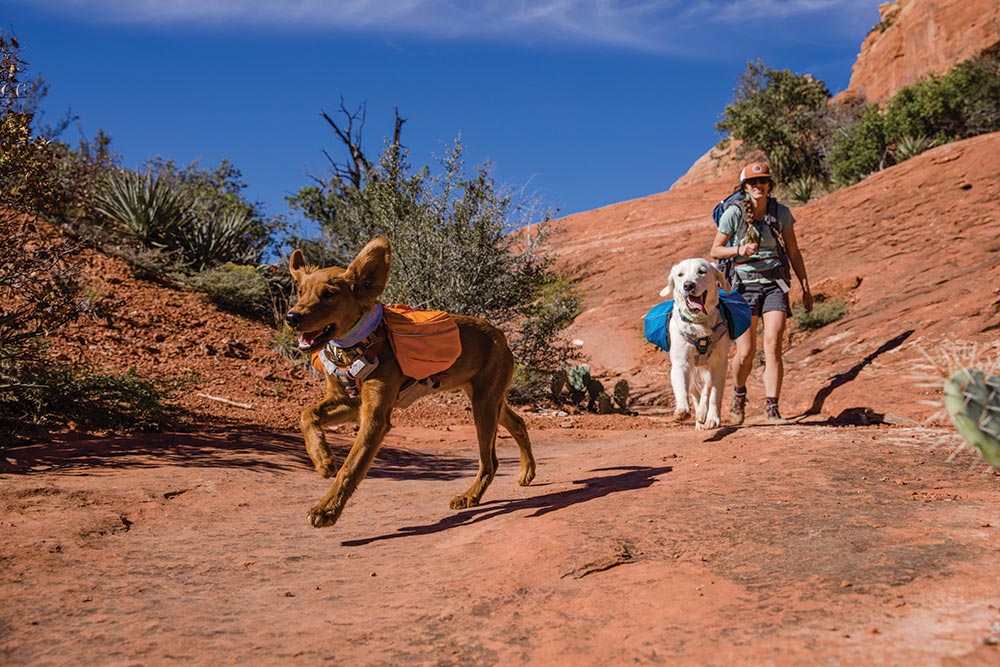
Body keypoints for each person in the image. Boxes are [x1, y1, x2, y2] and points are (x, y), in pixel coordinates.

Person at [710, 161, 813, 425]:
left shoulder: (781, 213)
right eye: (753, 182)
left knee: (773, 345)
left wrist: (805, 286)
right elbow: (716, 250)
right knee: (745, 352)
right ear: (745, 187)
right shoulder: (733, 214)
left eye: (763, 181)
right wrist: (739, 250)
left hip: (774, 284)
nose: (759, 186)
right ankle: (739, 394)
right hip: (744, 287)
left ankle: (772, 408)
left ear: (769, 185)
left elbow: (794, 252)